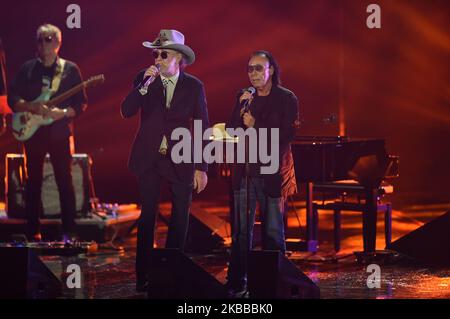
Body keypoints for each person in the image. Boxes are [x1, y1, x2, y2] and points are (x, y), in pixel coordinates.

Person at [120, 29, 209, 292]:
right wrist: (142, 88)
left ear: (178, 58)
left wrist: (202, 167)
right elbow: (126, 111)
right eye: (155, 53)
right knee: (148, 217)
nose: (157, 59)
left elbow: (202, 127)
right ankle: (143, 276)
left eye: (163, 54)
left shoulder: (194, 86)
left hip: (181, 158)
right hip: (149, 158)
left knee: (180, 218)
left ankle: (172, 273)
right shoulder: (144, 80)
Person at [226, 50, 299, 296]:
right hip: (245, 172)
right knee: (240, 233)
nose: (253, 73)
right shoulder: (244, 96)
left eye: (258, 68)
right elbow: (230, 129)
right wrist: (241, 107)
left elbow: (287, 135)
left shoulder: (286, 98)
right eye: (250, 69)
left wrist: (256, 125)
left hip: (271, 173)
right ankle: (236, 283)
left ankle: (274, 284)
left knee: (272, 231)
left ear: (271, 70)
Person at [7, 24, 87, 243]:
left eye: (48, 39)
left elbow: (81, 104)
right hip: (33, 134)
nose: (43, 44)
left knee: (65, 180)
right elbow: (12, 98)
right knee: (33, 182)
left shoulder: (70, 70)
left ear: (58, 43)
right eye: (40, 39)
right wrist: (31, 107)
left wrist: (64, 113)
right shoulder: (28, 69)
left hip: (60, 133)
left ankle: (69, 230)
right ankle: (33, 230)